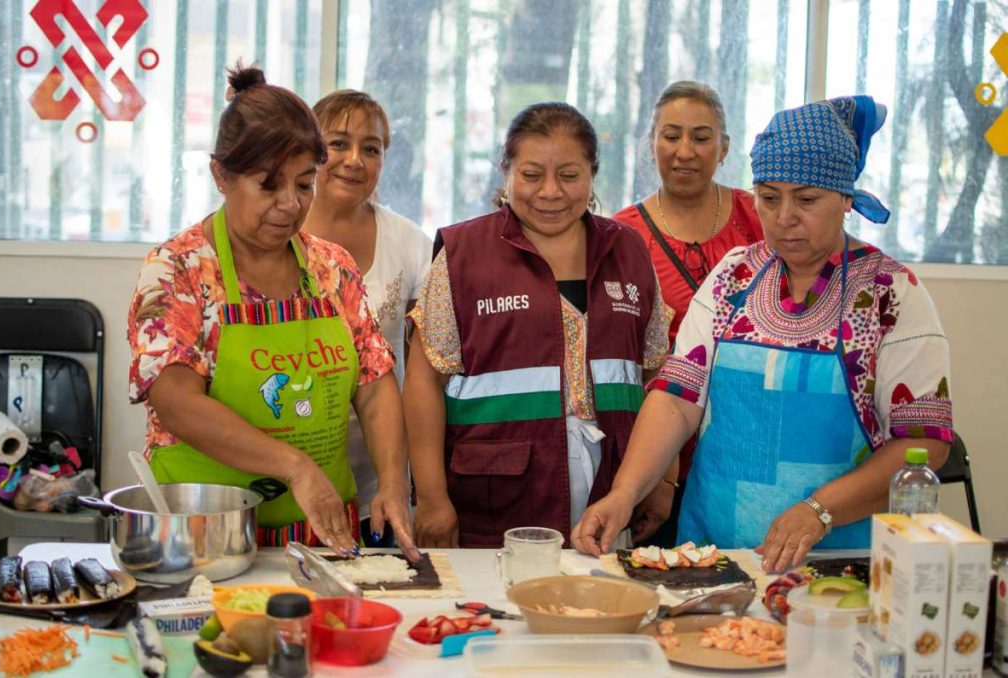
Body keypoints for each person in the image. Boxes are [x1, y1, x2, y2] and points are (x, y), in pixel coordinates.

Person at [573, 95, 953, 573]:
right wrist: (624, 494)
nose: (784, 217)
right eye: (769, 198)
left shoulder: (889, 295)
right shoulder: (733, 276)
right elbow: (675, 399)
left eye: (807, 199)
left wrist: (821, 509)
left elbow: (924, 442)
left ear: (846, 199)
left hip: (843, 562)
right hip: (713, 556)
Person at [127, 65, 418, 559]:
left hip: (321, 530)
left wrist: (391, 482)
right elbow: (176, 399)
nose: (289, 204)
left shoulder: (331, 267)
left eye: (304, 185)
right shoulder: (179, 268)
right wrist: (294, 466)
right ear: (221, 175)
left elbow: (374, 383)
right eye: (269, 185)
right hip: (205, 536)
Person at [404, 102, 673, 548]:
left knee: (595, 610)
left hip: (612, 488)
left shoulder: (628, 251)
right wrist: (432, 499)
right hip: (496, 495)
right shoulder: (463, 253)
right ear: (505, 171)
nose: (550, 192)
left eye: (569, 176)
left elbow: (659, 378)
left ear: (592, 174)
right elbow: (422, 382)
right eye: (531, 175)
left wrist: (662, 481)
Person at [612, 81, 763, 546]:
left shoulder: (760, 215)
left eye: (701, 137)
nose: (685, 151)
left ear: (724, 148)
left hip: (751, 437)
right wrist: (659, 477)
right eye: (670, 135)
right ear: (650, 143)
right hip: (655, 444)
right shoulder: (621, 235)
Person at [303, 90, 432, 546]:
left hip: (378, 479)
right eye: (338, 144)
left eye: (371, 148)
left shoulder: (412, 244)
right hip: (282, 478)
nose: (354, 160)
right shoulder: (274, 231)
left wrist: (405, 483)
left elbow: (425, 371)